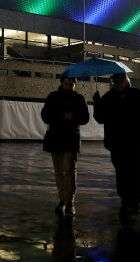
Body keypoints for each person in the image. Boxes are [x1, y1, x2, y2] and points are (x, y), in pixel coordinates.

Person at [92, 72, 140, 220]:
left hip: (129, 142)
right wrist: (97, 104)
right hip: (121, 142)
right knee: (126, 172)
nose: (118, 84)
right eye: (117, 82)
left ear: (126, 80)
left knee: (130, 172)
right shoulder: (135, 95)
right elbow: (100, 118)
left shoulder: (132, 95)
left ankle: (131, 201)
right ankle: (129, 200)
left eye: (120, 81)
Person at [40, 74, 90, 217]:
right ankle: (63, 200)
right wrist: (62, 115)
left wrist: (73, 116)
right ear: (62, 83)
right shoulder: (53, 97)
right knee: (60, 172)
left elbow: (85, 118)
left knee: (69, 171)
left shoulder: (79, 99)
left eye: (71, 84)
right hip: (56, 138)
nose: (68, 87)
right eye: (66, 84)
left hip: (70, 139)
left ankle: (69, 201)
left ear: (75, 85)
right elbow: (45, 116)